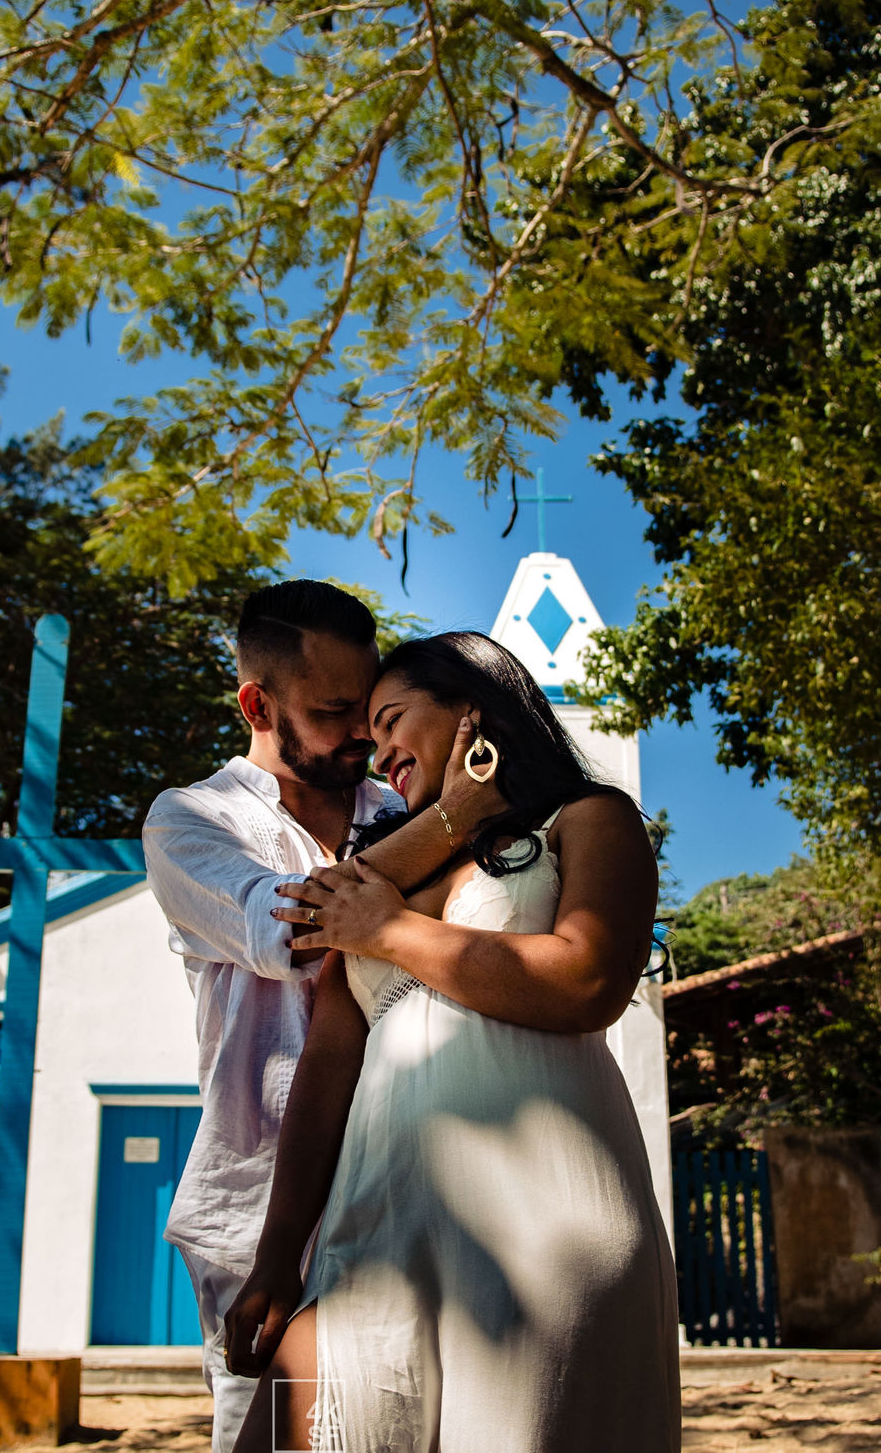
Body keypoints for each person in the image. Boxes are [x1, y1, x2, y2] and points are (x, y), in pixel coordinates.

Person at [224, 631, 682, 1453]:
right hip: (375, 1231)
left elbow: (587, 982)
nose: (379, 748)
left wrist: (392, 933)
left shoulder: (590, 820)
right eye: (369, 728)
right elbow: (328, 1070)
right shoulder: (378, 875)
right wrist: (276, 1257)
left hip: (549, 1227)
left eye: (393, 718)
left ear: (475, 708)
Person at [143, 584, 489, 1452]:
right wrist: (458, 819)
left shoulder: (401, 808)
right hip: (261, 1206)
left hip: (424, 1183)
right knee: (265, 1438)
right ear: (257, 705)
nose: (367, 735)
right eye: (337, 712)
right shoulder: (192, 822)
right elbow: (300, 923)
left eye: (371, 708)